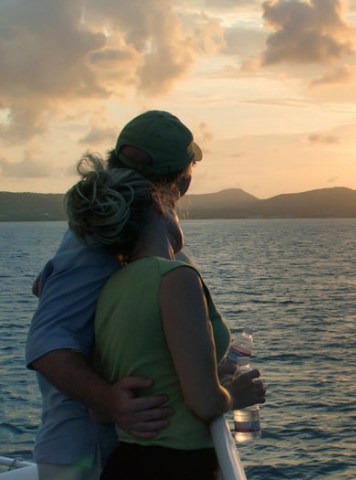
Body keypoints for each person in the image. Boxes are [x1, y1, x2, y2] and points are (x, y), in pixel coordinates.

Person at [24, 111, 241, 480]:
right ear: (179, 184)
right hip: (86, 453)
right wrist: (109, 401)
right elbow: (46, 345)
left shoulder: (111, 243)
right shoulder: (93, 244)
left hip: (122, 449)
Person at [62, 153, 265, 479]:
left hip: (124, 464)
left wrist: (209, 370)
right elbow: (203, 402)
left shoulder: (110, 287)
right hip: (179, 467)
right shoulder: (176, 278)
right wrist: (236, 395)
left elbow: (99, 412)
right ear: (159, 204)